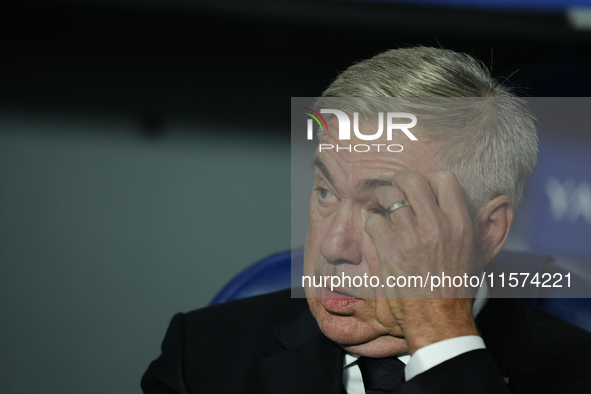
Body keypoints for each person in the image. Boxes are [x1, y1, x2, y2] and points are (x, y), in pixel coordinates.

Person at [141, 47, 591, 393]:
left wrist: (441, 338)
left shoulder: (576, 372)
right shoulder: (201, 354)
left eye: (385, 209)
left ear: (488, 229)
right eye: (325, 192)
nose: (335, 247)